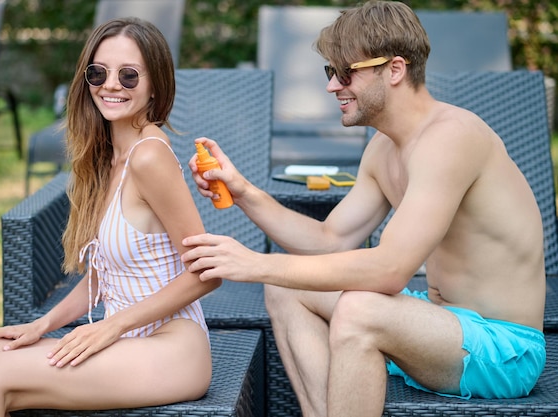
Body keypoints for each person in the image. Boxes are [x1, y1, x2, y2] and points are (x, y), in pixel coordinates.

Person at [180, 2, 547, 417]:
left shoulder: (451, 138)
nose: (332, 86)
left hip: (505, 350)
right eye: (329, 72)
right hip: (437, 325)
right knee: (285, 289)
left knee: (360, 310)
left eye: (345, 72)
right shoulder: (384, 147)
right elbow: (328, 239)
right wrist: (244, 191)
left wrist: (253, 263)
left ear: (394, 69)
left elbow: (389, 270)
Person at [0, 18, 220, 417]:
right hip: (122, 341)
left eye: (128, 76)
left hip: (171, 348)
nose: (111, 85)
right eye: (98, 72)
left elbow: (207, 273)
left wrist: (113, 325)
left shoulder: (149, 156)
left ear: (155, 84)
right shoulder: (107, 158)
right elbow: (103, 275)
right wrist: (44, 323)